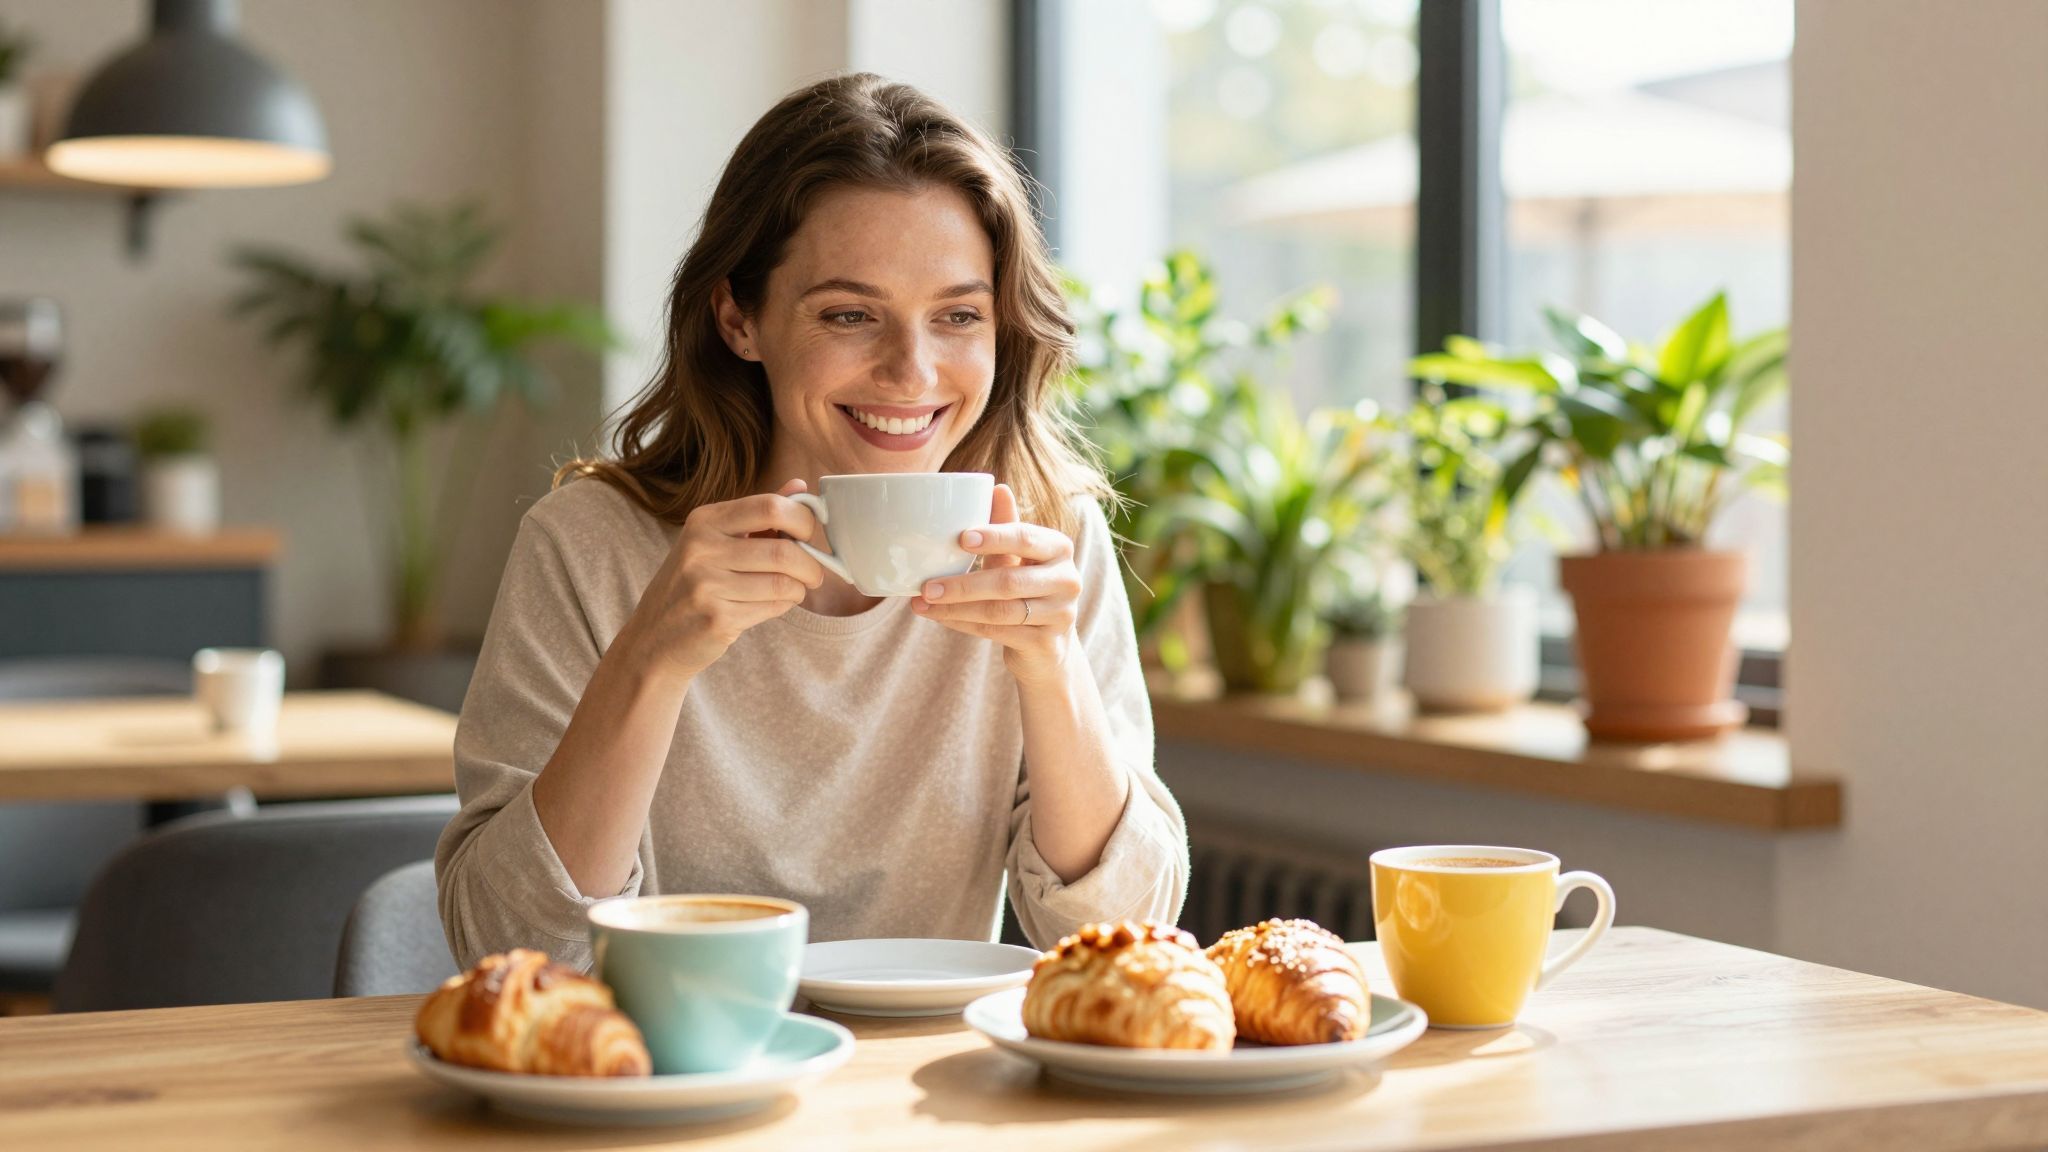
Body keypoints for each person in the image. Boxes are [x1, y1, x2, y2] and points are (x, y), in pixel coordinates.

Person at [435, 73, 1187, 969]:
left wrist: (1051, 666)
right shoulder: (588, 544)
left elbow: (1117, 939)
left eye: (957, 316)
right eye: (849, 314)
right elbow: (511, 947)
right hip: (663, 1082)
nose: (912, 372)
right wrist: (651, 657)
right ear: (738, 318)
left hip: (922, 1091)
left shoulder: (1044, 540)